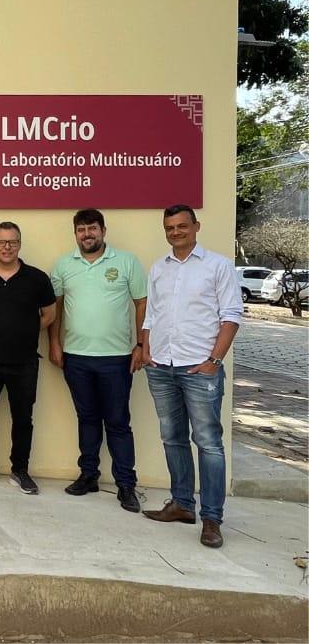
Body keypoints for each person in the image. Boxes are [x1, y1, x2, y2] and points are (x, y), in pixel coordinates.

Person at [141, 205, 241, 548]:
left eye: (182, 225)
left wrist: (214, 359)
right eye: (170, 227)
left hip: (200, 367)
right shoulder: (159, 268)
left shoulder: (218, 266)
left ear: (196, 226)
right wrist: (145, 349)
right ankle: (182, 504)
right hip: (162, 367)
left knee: (209, 442)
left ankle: (212, 518)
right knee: (172, 438)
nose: (176, 232)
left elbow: (231, 317)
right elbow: (150, 315)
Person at [48, 209, 147, 513]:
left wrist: (141, 344)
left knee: (117, 422)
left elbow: (142, 302)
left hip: (116, 359)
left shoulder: (127, 262)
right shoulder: (64, 265)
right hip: (76, 358)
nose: (87, 234)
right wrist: (54, 342)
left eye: (92, 228)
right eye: (81, 230)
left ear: (104, 230)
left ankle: (126, 484)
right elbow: (55, 306)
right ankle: (88, 475)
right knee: (87, 419)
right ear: (75, 233)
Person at [0, 221, 56, 495]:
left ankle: (20, 470)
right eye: (1, 242)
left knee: (23, 418)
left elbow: (49, 315)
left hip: (25, 361)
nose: (7, 247)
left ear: (19, 244)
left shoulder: (37, 278)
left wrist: (25, 330)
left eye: (12, 242)